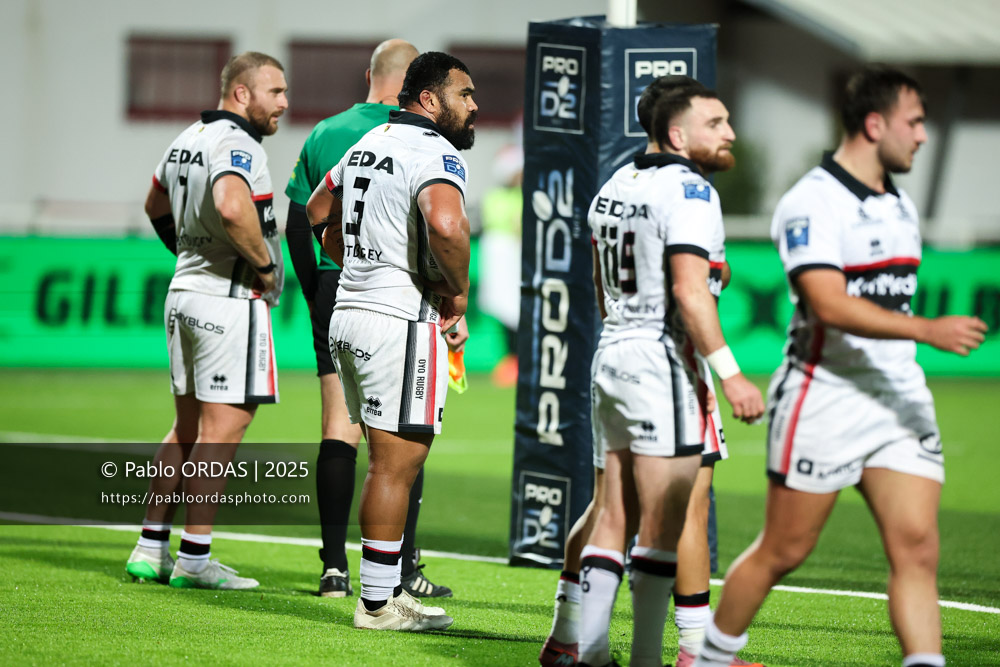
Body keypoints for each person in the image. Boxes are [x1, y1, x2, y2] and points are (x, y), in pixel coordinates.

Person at [694, 67, 988, 667]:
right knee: (785, 548)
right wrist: (926, 330)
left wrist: (913, 343)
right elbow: (827, 304)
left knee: (917, 550)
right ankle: (711, 656)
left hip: (898, 396)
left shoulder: (897, 201)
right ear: (875, 124)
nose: (923, 136)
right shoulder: (812, 201)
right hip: (824, 395)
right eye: (915, 122)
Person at [540, 76, 763, 667]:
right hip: (664, 360)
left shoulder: (613, 184)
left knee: (613, 510)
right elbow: (691, 293)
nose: (730, 133)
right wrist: (731, 372)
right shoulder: (691, 193)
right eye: (716, 123)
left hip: (612, 352)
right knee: (669, 517)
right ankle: (666, 655)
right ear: (677, 132)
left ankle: (585, 648)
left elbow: (599, 287)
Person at [306, 51, 477, 632]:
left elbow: (315, 210)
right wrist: (456, 292)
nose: (474, 105)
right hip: (397, 319)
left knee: (384, 462)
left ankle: (381, 596)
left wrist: (350, 257)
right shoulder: (434, 151)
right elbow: (448, 226)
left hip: (349, 312)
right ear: (430, 100)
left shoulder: (366, 142)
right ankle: (379, 603)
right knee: (394, 467)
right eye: (465, 94)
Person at [126, 52, 288, 590]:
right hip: (227, 298)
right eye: (275, 91)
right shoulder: (239, 144)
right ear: (242, 93)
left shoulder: (185, 137)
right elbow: (233, 206)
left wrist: (187, 251)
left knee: (187, 427)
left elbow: (153, 202)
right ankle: (195, 558)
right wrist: (264, 267)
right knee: (223, 431)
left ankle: (151, 549)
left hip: (185, 293)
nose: (284, 103)